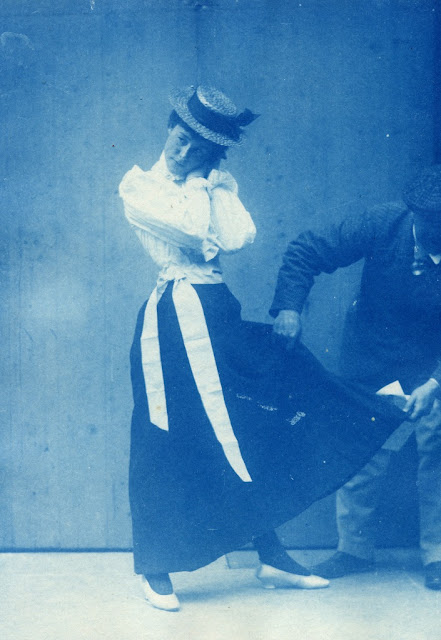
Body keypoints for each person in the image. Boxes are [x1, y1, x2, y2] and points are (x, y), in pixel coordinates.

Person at [119, 85, 404, 611]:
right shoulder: (139, 185)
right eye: (179, 139)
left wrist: (209, 186)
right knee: (168, 437)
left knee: (252, 423)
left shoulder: (213, 185)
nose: (183, 152)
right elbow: (192, 231)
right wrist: (202, 185)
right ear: (169, 129)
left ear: (214, 154)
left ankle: (271, 556)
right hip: (172, 324)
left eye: (198, 150)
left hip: (217, 311)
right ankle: (154, 565)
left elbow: (236, 236)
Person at [271, 164, 441, 590]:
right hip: (371, 357)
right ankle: (354, 550)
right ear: (414, 214)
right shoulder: (383, 222)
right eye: (430, 224)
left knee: (438, 454)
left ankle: (438, 554)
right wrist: (290, 307)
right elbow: (306, 250)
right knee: (360, 453)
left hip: (434, 364)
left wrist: (435, 383)